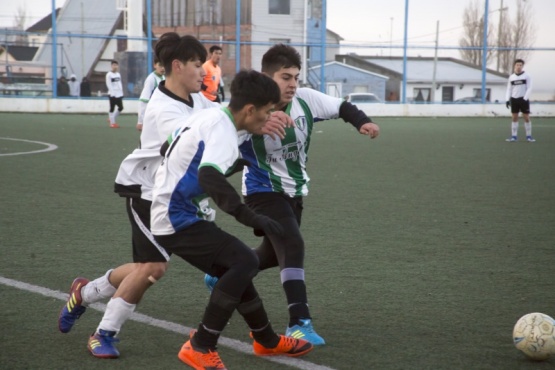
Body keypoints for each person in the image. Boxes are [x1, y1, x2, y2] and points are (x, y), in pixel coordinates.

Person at [57, 33, 291, 360]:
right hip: (147, 192)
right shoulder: (162, 108)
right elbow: (203, 137)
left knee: (150, 264)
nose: (203, 72)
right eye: (197, 66)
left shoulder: (198, 100)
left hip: (177, 198)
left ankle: (86, 292)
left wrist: (260, 116)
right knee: (153, 266)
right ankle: (103, 333)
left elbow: (229, 114)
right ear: (177, 67)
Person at [205, 44, 380, 346]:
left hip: (294, 192)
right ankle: (299, 322)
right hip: (262, 191)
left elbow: (342, 107)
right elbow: (223, 138)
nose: (293, 84)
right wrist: (255, 129)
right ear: (266, 76)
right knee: (293, 243)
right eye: (285, 77)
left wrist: (362, 121)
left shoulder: (306, 100)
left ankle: (224, 274)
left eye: (296, 77)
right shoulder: (250, 111)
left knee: (273, 255)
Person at [151, 69, 313, 370]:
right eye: (266, 113)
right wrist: (251, 216)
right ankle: (201, 345)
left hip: (178, 209)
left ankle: (266, 340)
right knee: (245, 262)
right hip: (176, 216)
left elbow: (168, 145)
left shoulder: (211, 115)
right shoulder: (223, 129)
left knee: (236, 264)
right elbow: (209, 175)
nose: (268, 121)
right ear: (250, 110)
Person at [505, 59, 534, 142]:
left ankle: (529, 136)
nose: (519, 66)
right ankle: (514, 136)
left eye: (520, 65)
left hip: (523, 99)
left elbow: (529, 88)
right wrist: (507, 100)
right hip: (514, 99)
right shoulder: (512, 77)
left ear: (522, 66)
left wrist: (525, 98)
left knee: (526, 118)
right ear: (515, 65)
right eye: (517, 65)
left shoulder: (527, 76)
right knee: (514, 118)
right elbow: (509, 89)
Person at [137, 57, 165, 131]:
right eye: (160, 65)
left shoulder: (164, 77)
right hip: (152, 114)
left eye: (164, 65)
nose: (162, 68)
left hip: (160, 113)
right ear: (154, 65)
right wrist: (140, 121)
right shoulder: (151, 79)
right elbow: (144, 99)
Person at [106, 60, 124, 128]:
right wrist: (112, 94)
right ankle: (112, 123)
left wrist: (121, 92)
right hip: (112, 94)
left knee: (121, 107)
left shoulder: (118, 74)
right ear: (111, 66)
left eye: (116, 65)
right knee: (112, 108)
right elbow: (109, 84)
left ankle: (111, 118)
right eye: (113, 65)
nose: (115, 66)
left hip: (119, 94)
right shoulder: (109, 74)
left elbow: (119, 84)